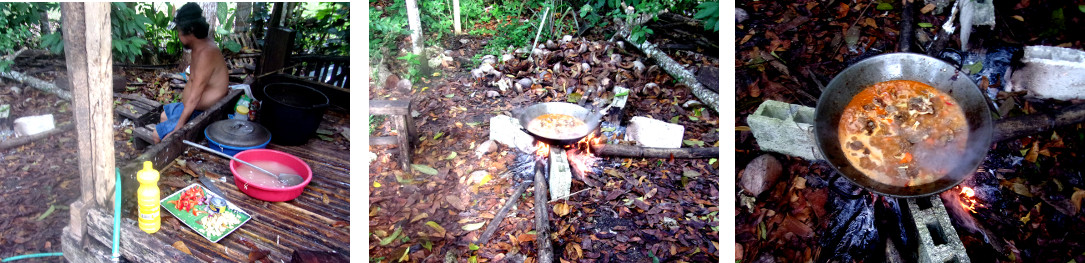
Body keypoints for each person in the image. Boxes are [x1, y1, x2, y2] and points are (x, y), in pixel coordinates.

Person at [153, 3, 229, 143]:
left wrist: (178, 130)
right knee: (164, 116)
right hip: (191, 107)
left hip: (201, 113)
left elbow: (194, 98)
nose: (178, 35)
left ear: (191, 30)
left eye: (179, 31)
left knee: (157, 135)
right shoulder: (199, 47)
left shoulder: (206, 53)